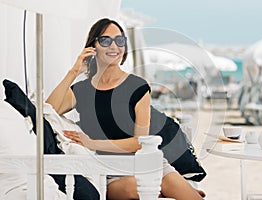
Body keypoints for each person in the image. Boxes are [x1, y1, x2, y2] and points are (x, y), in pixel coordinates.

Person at [46, 18, 205, 200]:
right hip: (107, 171)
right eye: (106, 40)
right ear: (93, 46)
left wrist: (92, 143)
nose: (114, 46)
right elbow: (48, 110)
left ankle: (170, 190)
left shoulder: (138, 87)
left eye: (120, 40)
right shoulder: (82, 90)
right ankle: (164, 192)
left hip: (144, 163)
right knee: (134, 189)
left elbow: (140, 141)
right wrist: (74, 71)